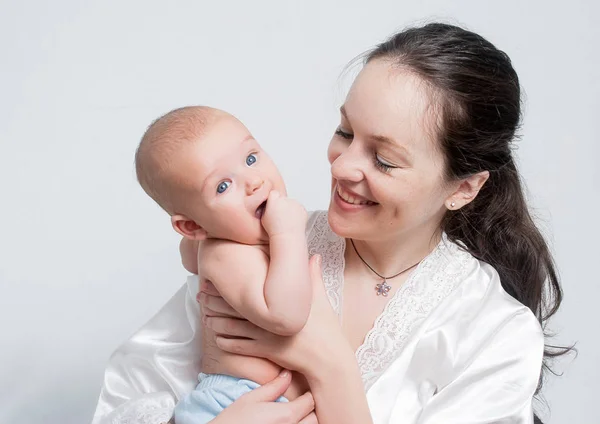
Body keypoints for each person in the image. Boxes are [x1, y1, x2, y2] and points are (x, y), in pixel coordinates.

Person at [92, 23, 565, 424]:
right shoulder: (255, 249)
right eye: (345, 132)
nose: (341, 167)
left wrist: (329, 364)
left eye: (383, 160)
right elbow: (127, 396)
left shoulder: (493, 332)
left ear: (463, 188)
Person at [133, 106, 314, 423]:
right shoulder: (228, 254)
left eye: (251, 158)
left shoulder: (213, 243)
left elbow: (189, 255)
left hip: (263, 399)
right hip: (230, 403)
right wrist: (288, 233)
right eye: (222, 186)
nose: (253, 182)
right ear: (192, 226)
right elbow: (287, 317)